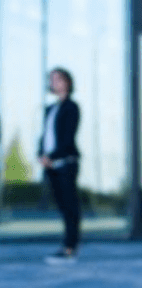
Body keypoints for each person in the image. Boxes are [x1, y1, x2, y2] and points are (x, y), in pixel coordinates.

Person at [38, 67, 81, 264]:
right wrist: (41, 155)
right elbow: (44, 136)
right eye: (51, 79)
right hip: (52, 166)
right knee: (63, 208)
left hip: (65, 163)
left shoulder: (71, 108)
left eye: (58, 79)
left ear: (67, 82)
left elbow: (67, 139)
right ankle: (66, 245)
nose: (53, 82)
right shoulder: (50, 109)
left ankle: (70, 248)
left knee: (70, 207)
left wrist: (52, 156)